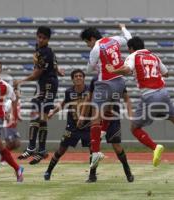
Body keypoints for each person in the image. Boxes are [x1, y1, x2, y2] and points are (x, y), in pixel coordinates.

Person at [106, 36, 174, 167]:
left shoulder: (134, 56)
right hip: (164, 93)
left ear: (131, 48)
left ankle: (155, 147)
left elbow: (127, 69)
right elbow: (166, 73)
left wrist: (114, 70)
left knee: (134, 128)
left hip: (149, 96)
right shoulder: (154, 56)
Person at [80, 24, 132, 169]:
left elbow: (89, 69)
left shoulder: (96, 48)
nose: (88, 46)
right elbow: (129, 38)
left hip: (105, 83)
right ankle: (102, 132)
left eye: (87, 42)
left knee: (95, 115)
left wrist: (94, 62)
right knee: (108, 109)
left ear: (91, 39)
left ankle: (95, 151)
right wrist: (123, 27)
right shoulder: (114, 40)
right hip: (120, 82)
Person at [14, 26, 64, 165]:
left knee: (40, 116)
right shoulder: (41, 49)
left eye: (44, 38)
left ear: (48, 39)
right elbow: (53, 64)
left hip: (49, 85)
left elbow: (36, 74)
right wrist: (58, 71)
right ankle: (39, 150)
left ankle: (34, 148)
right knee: (37, 116)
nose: (41, 39)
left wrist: (20, 81)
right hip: (43, 85)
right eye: (39, 37)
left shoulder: (45, 52)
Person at [44, 69, 91, 181]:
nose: (78, 78)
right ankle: (48, 171)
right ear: (72, 79)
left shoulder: (90, 90)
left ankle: (92, 174)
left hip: (87, 125)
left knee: (93, 150)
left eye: (80, 76)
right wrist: (53, 112)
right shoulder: (69, 91)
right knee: (61, 149)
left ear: (84, 78)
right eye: (76, 76)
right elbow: (63, 103)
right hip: (72, 125)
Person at [85, 76, 134, 183]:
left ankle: (128, 171)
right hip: (98, 118)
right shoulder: (95, 79)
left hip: (113, 117)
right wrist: (83, 116)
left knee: (116, 146)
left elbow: (126, 98)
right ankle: (92, 175)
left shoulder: (119, 80)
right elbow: (89, 98)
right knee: (94, 146)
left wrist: (131, 116)